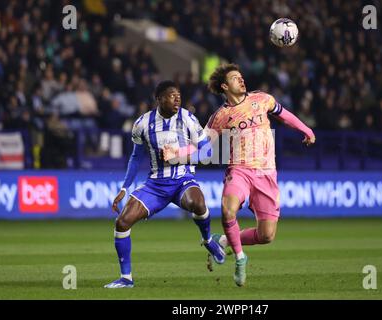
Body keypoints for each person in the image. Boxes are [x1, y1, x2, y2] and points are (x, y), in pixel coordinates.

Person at [165, 63, 316, 287]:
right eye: (236, 78)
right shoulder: (221, 116)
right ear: (225, 86)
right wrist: (177, 152)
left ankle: (224, 240)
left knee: (266, 236)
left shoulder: (263, 99)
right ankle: (240, 257)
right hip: (240, 170)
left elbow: (284, 115)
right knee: (228, 210)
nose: (242, 80)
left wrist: (306, 128)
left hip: (266, 174)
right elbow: (204, 148)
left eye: (241, 77)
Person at [104, 81, 225, 288]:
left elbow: (207, 153)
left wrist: (179, 157)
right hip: (155, 186)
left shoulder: (187, 118)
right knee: (122, 222)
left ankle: (207, 240)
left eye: (178, 95)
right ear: (159, 99)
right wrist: (124, 188)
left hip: (182, 180)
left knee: (198, 203)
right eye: (171, 95)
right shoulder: (142, 123)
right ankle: (126, 279)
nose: (177, 98)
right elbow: (135, 158)